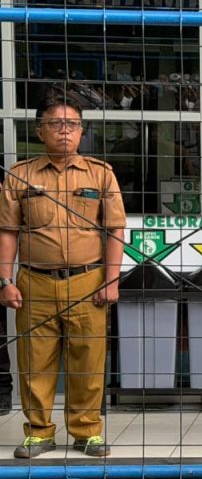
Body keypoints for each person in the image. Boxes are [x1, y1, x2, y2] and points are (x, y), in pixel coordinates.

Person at [0, 91, 126, 458]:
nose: (64, 131)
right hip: (34, 281)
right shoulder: (20, 175)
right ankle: (39, 432)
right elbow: (7, 232)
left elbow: (116, 229)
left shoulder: (100, 174)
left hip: (89, 281)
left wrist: (112, 279)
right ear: (40, 130)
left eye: (72, 124)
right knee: (34, 360)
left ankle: (87, 431)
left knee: (88, 359)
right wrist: (5, 281)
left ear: (82, 130)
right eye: (55, 124)